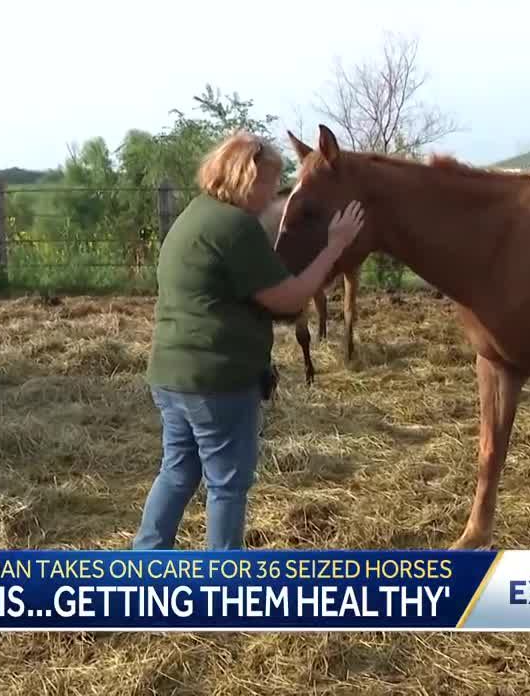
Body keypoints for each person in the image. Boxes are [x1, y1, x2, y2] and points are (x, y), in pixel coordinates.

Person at [133, 130, 364, 550]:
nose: (274, 193)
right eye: (269, 183)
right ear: (245, 179)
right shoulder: (235, 228)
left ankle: (147, 563)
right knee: (227, 482)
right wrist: (336, 246)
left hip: (171, 374)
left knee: (178, 470)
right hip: (217, 380)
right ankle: (225, 586)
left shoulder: (195, 215)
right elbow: (291, 298)